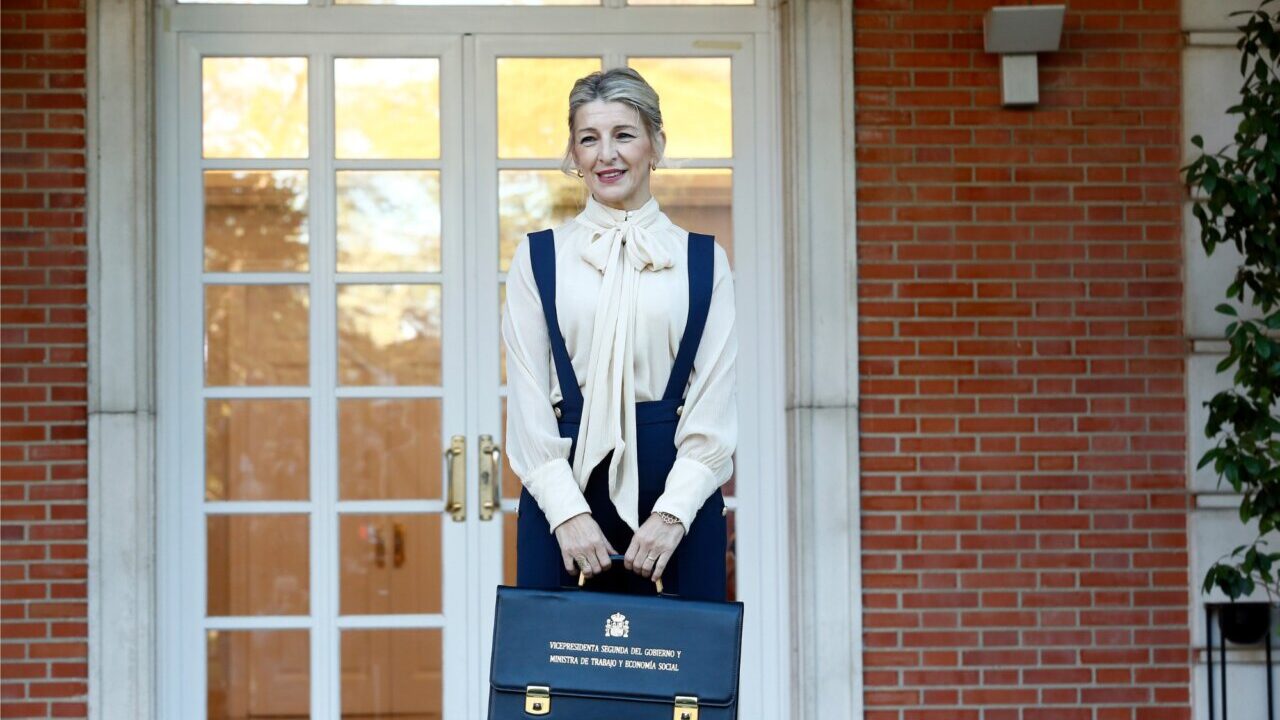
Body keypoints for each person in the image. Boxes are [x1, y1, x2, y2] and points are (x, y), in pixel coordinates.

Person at [501, 67, 737, 601]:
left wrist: (674, 514)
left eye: (623, 135)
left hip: (678, 495)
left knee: (684, 678)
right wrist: (566, 514)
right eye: (589, 138)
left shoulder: (703, 260)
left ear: (655, 143)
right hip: (563, 490)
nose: (606, 154)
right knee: (553, 680)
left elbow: (714, 406)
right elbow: (529, 401)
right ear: (575, 156)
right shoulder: (539, 259)